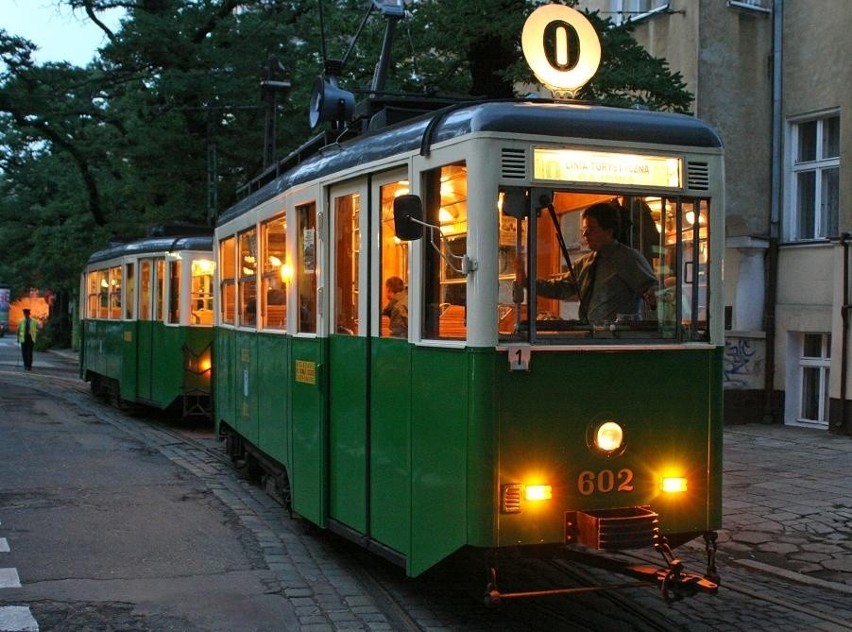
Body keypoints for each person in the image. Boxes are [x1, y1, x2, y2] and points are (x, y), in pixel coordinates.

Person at [515, 201, 657, 325]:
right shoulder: (584, 263)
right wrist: (527, 282)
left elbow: (654, 291)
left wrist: (653, 295)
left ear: (608, 231)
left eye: (591, 230)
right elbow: (561, 288)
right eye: (584, 230)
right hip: (590, 336)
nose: (585, 235)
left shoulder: (629, 259)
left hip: (619, 340)